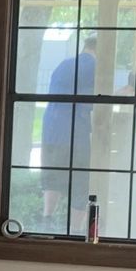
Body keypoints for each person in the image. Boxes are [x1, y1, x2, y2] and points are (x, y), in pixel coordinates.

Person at [39, 34, 97, 218]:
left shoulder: (64, 65)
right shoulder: (94, 67)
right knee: (80, 181)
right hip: (75, 134)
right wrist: (130, 87)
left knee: (52, 179)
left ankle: (46, 220)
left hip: (51, 132)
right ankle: (77, 230)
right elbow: (99, 98)